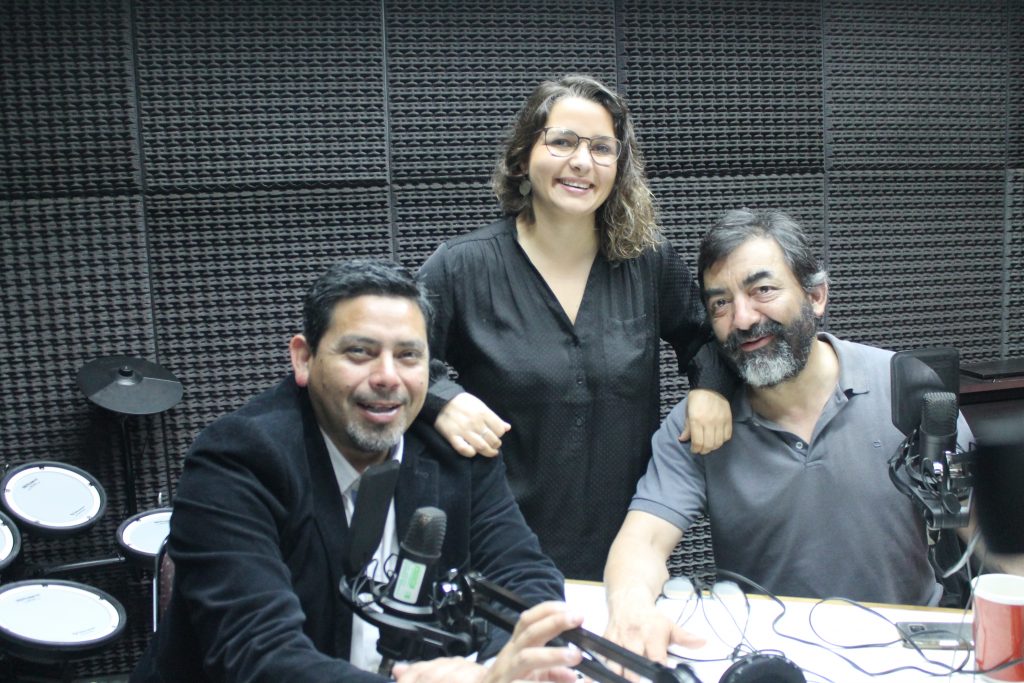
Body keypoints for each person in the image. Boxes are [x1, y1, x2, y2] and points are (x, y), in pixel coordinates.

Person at [131, 259, 577, 683]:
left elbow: (524, 578)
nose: (387, 377)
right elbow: (259, 655)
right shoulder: (239, 460)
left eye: (408, 356)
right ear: (304, 358)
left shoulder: (455, 452)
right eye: (360, 352)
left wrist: (501, 667)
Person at [603, 208, 983, 663]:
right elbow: (642, 543)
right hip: (769, 661)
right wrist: (632, 609)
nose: (743, 319)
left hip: (909, 658)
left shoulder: (907, 388)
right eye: (720, 303)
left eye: (762, 290)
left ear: (816, 296)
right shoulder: (699, 423)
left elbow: (989, 533)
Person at [417, 75, 735, 581]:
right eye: (562, 141)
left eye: (601, 148)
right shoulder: (461, 267)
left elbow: (705, 336)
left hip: (627, 560)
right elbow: (398, 361)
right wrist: (442, 400)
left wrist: (712, 388)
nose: (582, 161)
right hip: (500, 555)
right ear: (522, 158)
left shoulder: (648, 262)